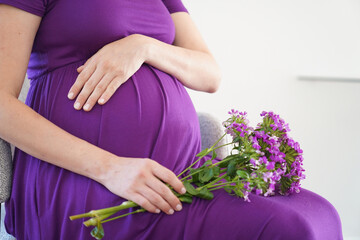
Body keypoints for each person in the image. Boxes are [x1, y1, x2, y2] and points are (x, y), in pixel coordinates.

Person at [0, 0, 342, 239]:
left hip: (181, 174)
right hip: (86, 181)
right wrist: (109, 168)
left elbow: (210, 74)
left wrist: (143, 46)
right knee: (289, 230)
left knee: (319, 214)